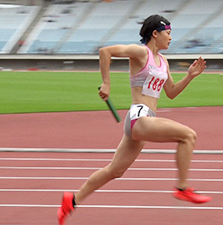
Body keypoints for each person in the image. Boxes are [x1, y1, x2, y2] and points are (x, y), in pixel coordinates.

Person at [57, 14, 211, 225]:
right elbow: (105, 51)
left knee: (115, 170)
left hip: (146, 120)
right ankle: (183, 188)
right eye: (168, 33)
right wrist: (106, 83)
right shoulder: (141, 52)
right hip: (139, 116)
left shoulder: (163, 61)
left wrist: (190, 76)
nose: (171, 37)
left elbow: (172, 92)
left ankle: (72, 200)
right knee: (188, 135)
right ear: (155, 33)